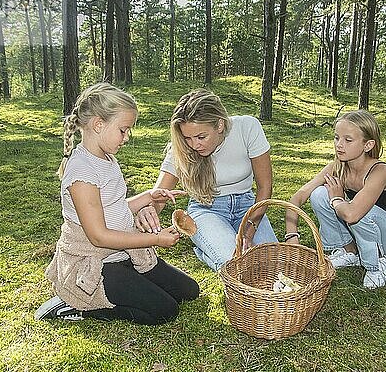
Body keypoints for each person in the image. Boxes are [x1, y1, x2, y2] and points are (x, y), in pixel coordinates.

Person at [35, 83, 199, 325]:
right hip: (95, 262)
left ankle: (128, 279)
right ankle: (77, 304)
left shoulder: (106, 158)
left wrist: (149, 196)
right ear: (99, 124)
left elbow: (113, 208)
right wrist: (155, 239)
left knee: (189, 291)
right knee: (165, 311)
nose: (127, 137)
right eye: (123, 130)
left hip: (121, 252)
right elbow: (99, 237)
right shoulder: (82, 173)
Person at [135, 88, 278, 271]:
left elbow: (265, 187)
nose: (194, 145)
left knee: (274, 265)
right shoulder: (181, 148)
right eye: (188, 138)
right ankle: (215, 251)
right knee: (236, 266)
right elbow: (159, 195)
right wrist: (149, 212)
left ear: (219, 125)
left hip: (249, 207)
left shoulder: (247, 127)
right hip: (206, 210)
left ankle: (207, 252)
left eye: (201, 137)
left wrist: (249, 232)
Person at [285, 110, 386, 289]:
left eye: (348, 140)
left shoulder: (380, 171)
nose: (339, 145)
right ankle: (349, 250)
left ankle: (378, 263)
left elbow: (352, 215)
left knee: (358, 210)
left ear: (368, 145)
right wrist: (292, 237)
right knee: (319, 194)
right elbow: (298, 197)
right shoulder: (337, 167)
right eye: (336, 138)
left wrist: (337, 199)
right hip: (364, 226)